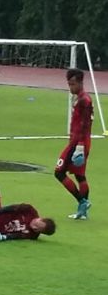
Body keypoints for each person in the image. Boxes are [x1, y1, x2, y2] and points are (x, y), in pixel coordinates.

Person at [55, 68, 93, 219]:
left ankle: (82, 201)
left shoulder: (85, 100)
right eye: (69, 84)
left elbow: (85, 124)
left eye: (73, 84)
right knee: (80, 176)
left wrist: (80, 145)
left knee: (58, 172)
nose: (70, 88)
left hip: (78, 142)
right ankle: (82, 212)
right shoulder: (80, 97)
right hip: (79, 141)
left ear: (80, 83)